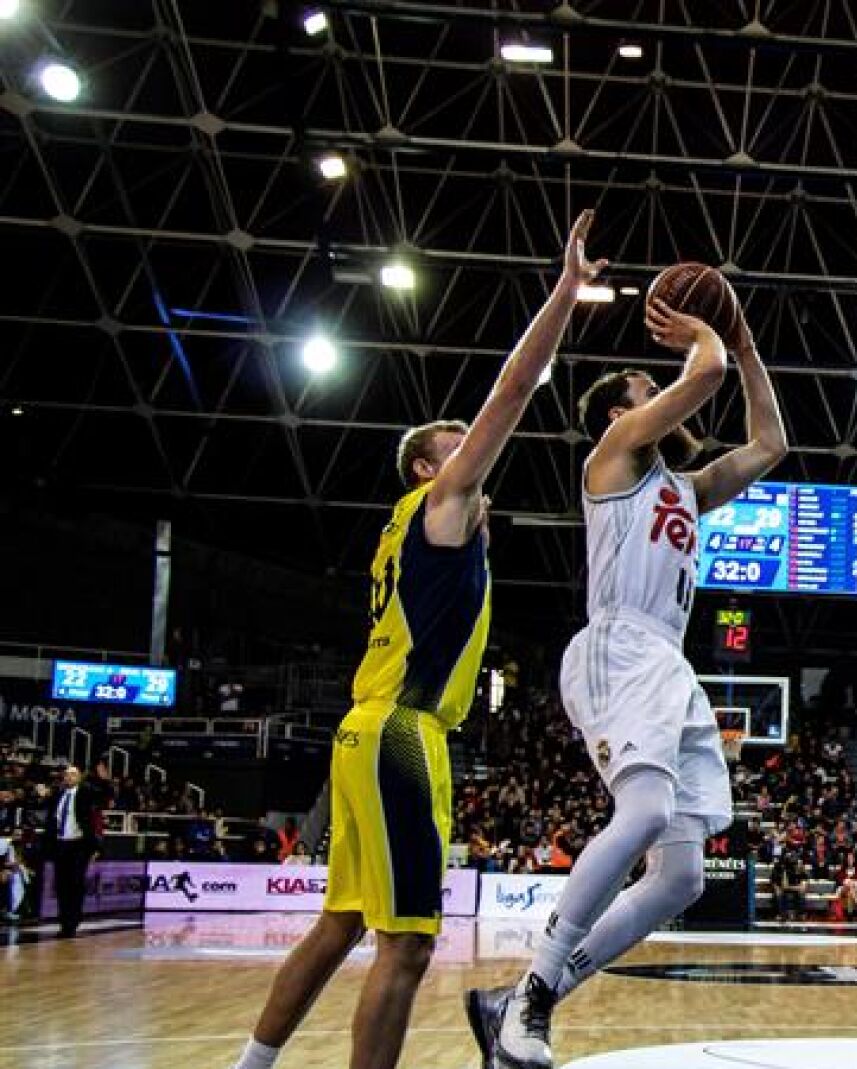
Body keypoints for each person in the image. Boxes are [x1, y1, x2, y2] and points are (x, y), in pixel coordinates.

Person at [227, 211, 608, 1069]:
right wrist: (563, 294)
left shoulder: (411, 533)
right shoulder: (438, 509)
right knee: (406, 947)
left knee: (340, 925)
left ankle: (248, 1066)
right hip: (404, 733)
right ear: (430, 470)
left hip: (363, 728)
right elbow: (514, 390)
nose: (477, 460)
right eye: (458, 450)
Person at [467, 289, 786, 1069]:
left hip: (668, 662)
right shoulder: (611, 456)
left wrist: (742, 347)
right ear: (620, 414)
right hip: (619, 645)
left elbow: (771, 441)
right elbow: (703, 371)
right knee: (643, 814)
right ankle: (534, 996)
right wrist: (710, 335)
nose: (662, 393)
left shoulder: (686, 489)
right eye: (649, 389)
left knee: (679, 876)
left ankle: (518, 1001)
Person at [43, 765, 102, 938]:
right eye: (67, 775)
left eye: (73, 775)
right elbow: (52, 818)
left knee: (75, 884)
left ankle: (72, 923)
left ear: (79, 778)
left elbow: (102, 794)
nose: (69, 777)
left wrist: (102, 780)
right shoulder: (59, 795)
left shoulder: (84, 793)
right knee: (62, 885)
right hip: (61, 844)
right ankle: (64, 922)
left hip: (79, 845)